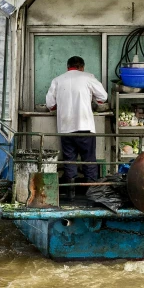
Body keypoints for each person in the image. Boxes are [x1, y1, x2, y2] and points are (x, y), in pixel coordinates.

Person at [46, 56, 107, 200]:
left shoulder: (58, 80)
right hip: (85, 126)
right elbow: (103, 97)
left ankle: (70, 194)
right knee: (89, 160)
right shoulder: (88, 77)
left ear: (68, 67)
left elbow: (50, 104)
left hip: (66, 128)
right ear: (81, 67)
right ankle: (91, 194)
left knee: (69, 160)